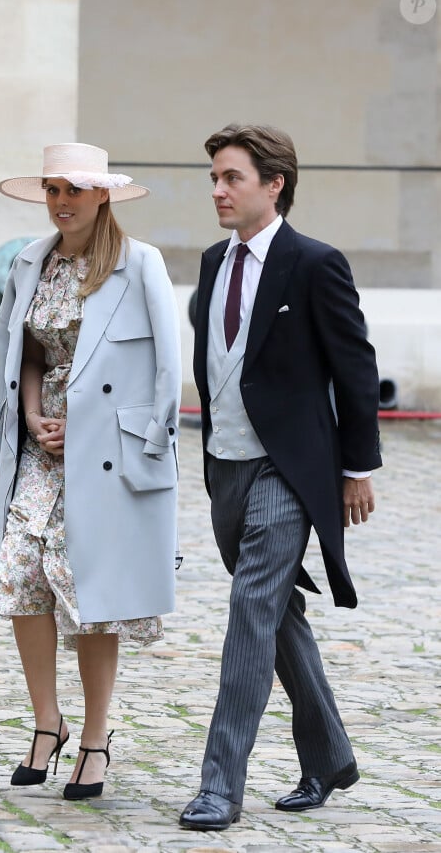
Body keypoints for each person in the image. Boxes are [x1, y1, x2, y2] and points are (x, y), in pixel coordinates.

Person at [179, 124, 382, 831]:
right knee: (275, 614)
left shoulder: (315, 263)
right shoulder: (212, 262)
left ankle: (218, 786)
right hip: (225, 469)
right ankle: (329, 754)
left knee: (249, 611)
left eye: (231, 177)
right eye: (214, 177)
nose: (217, 190)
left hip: (288, 472)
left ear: (274, 185)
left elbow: (355, 370)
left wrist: (357, 468)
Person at [0, 142, 181, 800]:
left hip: (108, 453)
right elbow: (23, 353)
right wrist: (33, 417)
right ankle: (45, 722)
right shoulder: (32, 261)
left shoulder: (139, 264)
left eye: (74, 191)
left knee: (91, 597)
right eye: (54, 189)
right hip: (42, 446)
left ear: (103, 197)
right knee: (18, 575)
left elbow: (165, 371)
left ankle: (94, 737)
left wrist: (90, 432)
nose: (62, 202)